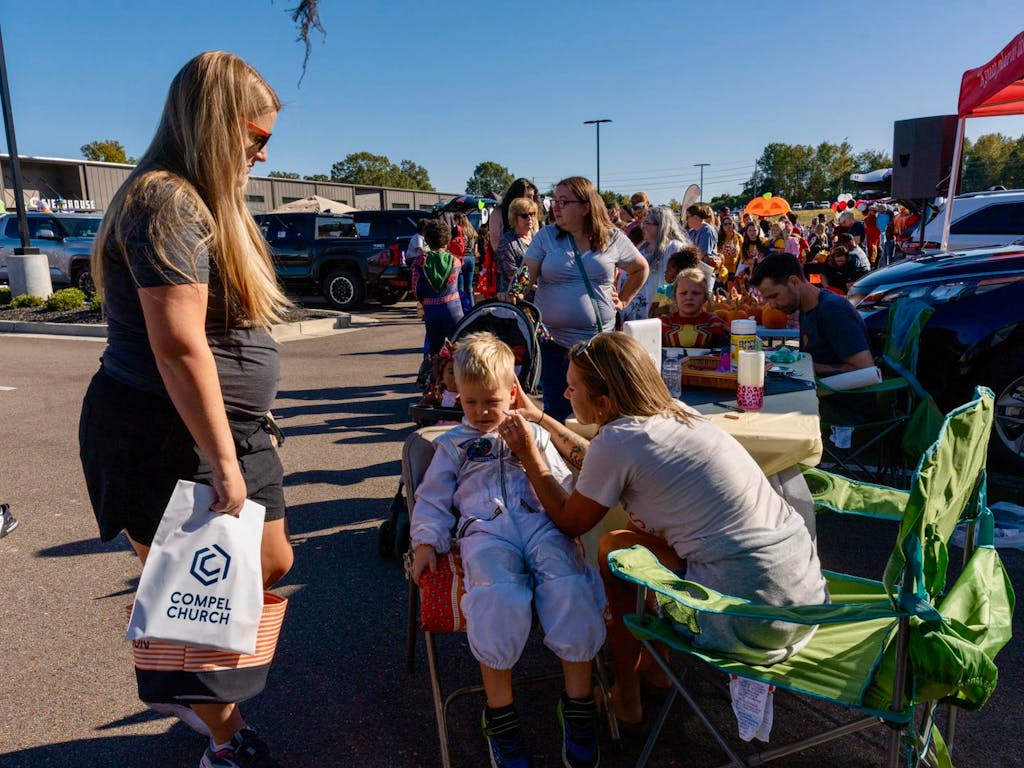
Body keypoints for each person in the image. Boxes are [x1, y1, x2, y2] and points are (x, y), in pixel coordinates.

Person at [79, 51, 293, 768]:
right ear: (212, 123)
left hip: (230, 429)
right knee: (195, 598)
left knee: (269, 561)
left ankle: (174, 667)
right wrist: (227, 464)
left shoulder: (203, 202)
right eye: (255, 137)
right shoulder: (163, 200)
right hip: (159, 432)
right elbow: (177, 347)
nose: (264, 153)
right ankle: (226, 739)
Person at [499, 332, 827, 730]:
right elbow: (594, 459)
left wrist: (529, 455)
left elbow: (571, 520)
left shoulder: (619, 441)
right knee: (644, 549)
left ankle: (627, 693)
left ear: (604, 402)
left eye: (572, 388)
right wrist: (540, 418)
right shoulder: (673, 412)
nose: (566, 394)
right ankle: (655, 667)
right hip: (802, 599)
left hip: (747, 619)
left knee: (615, 550)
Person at [410, 332, 606, 768]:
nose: (481, 413)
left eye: (492, 402)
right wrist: (425, 541)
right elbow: (434, 497)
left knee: (570, 584)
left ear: (513, 393)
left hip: (539, 523)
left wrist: (533, 449)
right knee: (496, 594)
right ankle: (500, 714)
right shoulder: (453, 445)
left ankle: (578, 706)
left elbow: (562, 483)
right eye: (470, 402)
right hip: (484, 531)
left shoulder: (534, 433)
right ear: (457, 396)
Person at [524, 176, 649, 423]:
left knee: (606, 408)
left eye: (564, 201)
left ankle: (604, 457)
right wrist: (515, 291)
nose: (555, 207)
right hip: (555, 344)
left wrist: (622, 300)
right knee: (558, 412)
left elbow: (640, 268)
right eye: (554, 201)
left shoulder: (612, 237)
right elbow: (523, 277)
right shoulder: (546, 236)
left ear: (586, 206)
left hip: (599, 345)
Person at [750, 253, 873, 376]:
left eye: (774, 296)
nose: (771, 305)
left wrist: (804, 366)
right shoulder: (806, 307)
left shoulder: (833, 310)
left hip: (836, 393)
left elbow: (864, 369)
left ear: (794, 282)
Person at [621, 206, 691, 322]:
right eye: (644, 222)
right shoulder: (642, 247)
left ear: (662, 226)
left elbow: (683, 279)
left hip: (659, 312)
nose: (643, 226)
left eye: (648, 223)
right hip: (635, 312)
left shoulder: (674, 247)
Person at [412, 219, 464, 356]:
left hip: (432, 311)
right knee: (457, 350)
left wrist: (423, 302)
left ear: (427, 240)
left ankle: (436, 376)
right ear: (447, 240)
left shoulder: (419, 262)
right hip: (454, 310)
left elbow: (416, 289)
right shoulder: (456, 261)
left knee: (435, 352)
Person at [659, 267, 729, 348]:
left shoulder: (716, 324)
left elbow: (728, 355)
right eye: (683, 293)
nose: (689, 297)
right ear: (675, 297)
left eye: (695, 293)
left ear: (705, 297)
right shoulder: (663, 324)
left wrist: (722, 360)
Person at [495, 197, 538, 297]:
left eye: (532, 214)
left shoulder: (538, 237)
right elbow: (511, 274)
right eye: (524, 215)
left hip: (539, 297)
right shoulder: (506, 242)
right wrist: (537, 288)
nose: (530, 218)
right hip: (516, 298)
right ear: (515, 218)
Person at [648, 247, 705, 318]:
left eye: (669, 269)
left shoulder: (691, 294)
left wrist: (667, 309)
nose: (665, 272)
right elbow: (651, 314)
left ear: (680, 272)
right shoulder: (662, 290)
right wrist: (659, 311)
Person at [489, 178, 541, 255]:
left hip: (529, 261)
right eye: (528, 196)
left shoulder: (532, 215)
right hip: (507, 260)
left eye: (533, 196)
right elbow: (496, 246)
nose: (531, 200)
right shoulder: (498, 213)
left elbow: (536, 239)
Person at [450, 212, 478, 313]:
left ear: (457, 220)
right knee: (469, 287)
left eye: (454, 219)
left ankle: (463, 311)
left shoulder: (457, 230)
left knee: (460, 288)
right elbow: (475, 250)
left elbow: (452, 244)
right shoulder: (472, 231)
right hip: (471, 259)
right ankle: (472, 310)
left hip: (461, 259)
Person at [717, 217, 743, 283]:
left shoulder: (739, 237)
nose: (728, 225)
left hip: (735, 270)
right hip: (721, 271)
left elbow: (742, 254)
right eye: (725, 224)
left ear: (733, 224)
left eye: (730, 223)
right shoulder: (719, 238)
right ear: (722, 226)